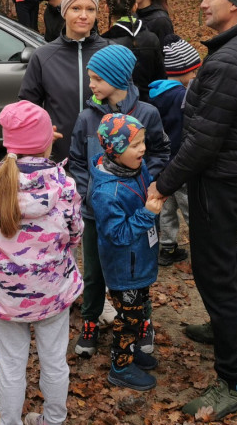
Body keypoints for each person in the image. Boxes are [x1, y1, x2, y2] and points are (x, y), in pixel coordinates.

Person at [148, 0, 237, 419]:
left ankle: (231, 382)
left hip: (218, 181)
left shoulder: (230, 61)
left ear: (234, 4)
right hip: (230, 177)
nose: (202, 3)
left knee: (214, 271)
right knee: (225, 261)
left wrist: (163, 184)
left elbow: (202, 140)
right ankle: (223, 329)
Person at [0, 101, 83, 425]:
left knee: (12, 366)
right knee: (54, 362)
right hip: (53, 294)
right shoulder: (64, 185)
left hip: (7, 296)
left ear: (7, 144)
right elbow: (75, 234)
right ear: (49, 143)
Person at [67, 45, 169, 358]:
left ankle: (143, 321)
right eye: (90, 78)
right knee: (95, 272)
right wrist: (89, 193)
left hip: (138, 212)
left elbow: (161, 152)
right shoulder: (86, 118)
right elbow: (77, 161)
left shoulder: (147, 114)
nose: (91, 84)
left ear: (117, 78)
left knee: (139, 269)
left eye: (97, 78)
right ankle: (90, 321)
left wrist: (146, 187)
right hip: (96, 215)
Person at [90, 113, 165, 391]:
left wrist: (156, 191)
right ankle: (120, 366)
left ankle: (132, 352)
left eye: (143, 142)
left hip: (140, 261)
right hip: (124, 268)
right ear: (114, 150)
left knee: (140, 310)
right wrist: (147, 214)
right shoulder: (106, 193)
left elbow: (146, 190)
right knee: (129, 319)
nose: (142, 149)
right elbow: (117, 235)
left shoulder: (137, 168)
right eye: (135, 145)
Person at [18, 0, 108, 163]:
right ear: (64, 11)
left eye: (90, 9)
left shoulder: (111, 52)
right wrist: (40, 131)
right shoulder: (43, 56)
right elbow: (27, 106)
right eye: (76, 8)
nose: (84, 15)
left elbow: (129, 102)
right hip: (60, 156)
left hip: (106, 157)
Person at [148, 36, 203, 266]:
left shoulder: (155, 93)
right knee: (191, 207)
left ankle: (167, 247)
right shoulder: (182, 97)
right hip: (180, 162)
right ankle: (204, 247)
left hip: (161, 165)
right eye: (194, 73)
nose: (195, 78)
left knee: (166, 206)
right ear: (184, 72)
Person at [100, 0, 165, 95]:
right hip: (149, 105)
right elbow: (161, 78)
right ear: (135, 6)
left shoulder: (103, 43)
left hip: (117, 108)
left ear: (106, 8)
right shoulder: (152, 38)